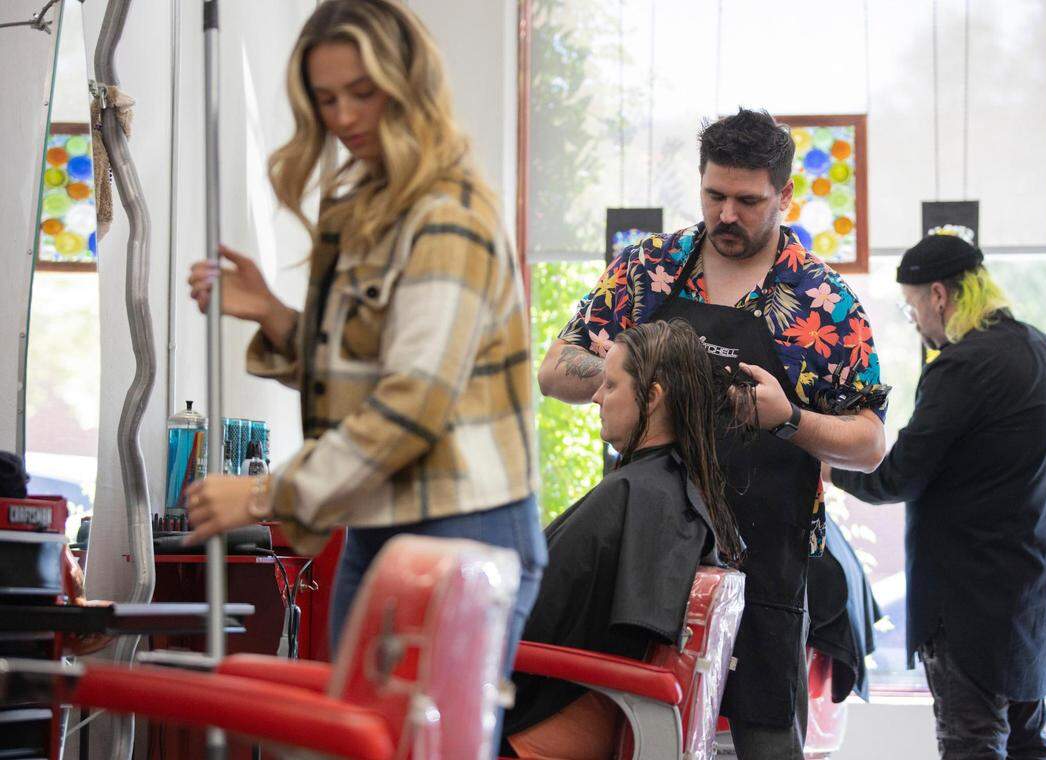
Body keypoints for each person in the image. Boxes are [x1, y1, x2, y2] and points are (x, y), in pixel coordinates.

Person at [181, 0, 545, 719]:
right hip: (382, 515)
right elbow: (369, 370)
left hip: (465, 523)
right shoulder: (367, 206)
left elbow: (412, 403)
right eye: (326, 99)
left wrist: (261, 497)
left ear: (408, 85)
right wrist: (277, 317)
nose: (344, 116)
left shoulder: (448, 216)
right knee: (362, 736)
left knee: (413, 746)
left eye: (362, 92)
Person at [538, 108, 889, 759]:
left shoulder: (823, 301)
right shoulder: (649, 270)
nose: (727, 215)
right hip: (645, 554)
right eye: (714, 195)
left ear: (784, 195)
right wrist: (624, 374)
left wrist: (787, 419)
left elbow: (870, 444)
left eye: (748, 201)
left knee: (767, 742)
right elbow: (555, 369)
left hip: (767, 566)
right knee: (637, 730)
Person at [826, 234, 1046, 760]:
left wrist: (827, 464)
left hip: (968, 609)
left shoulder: (962, 367)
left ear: (938, 295)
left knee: (972, 747)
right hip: (1033, 601)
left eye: (912, 306)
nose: (916, 320)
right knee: (1029, 745)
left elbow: (896, 477)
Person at [504, 319, 744, 759]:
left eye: (611, 385)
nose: (596, 396)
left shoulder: (636, 495)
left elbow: (533, 619)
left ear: (652, 398)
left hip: (547, 725)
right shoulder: (675, 492)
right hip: (583, 709)